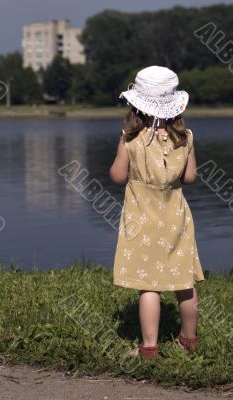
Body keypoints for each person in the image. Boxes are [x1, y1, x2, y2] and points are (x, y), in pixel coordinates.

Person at [110, 66, 205, 359]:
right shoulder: (186, 137)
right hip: (175, 217)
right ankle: (189, 339)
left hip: (141, 220)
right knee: (183, 282)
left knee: (148, 285)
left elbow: (117, 175)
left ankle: (149, 346)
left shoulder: (130, 139)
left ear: (136, 105)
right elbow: (190, 177)